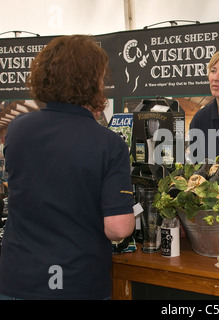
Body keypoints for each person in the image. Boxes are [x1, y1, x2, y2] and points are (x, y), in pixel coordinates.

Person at [0, 35, 135, 300]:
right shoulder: (108, 143)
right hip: (77, 279)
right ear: (91, 81)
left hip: (20, 277)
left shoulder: (17, 130)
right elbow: (118, 228)